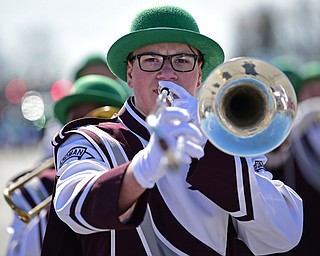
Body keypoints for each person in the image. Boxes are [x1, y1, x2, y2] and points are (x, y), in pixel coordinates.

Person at [41, 6, 303, 256]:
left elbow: (285, 233)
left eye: (182, 60)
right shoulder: (93, 140)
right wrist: (143, 168)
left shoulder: (225, 145)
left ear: (200, 75)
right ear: (130, 74)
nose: (167, 74)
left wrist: (211, 147)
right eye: (151, 60)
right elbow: (73, 206)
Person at [5, 74, 127, 256]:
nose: (87, 131)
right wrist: (64, 204)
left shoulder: (139, 177)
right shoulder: (37, 187)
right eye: (77, 118)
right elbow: (19, 252)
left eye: (100, 121)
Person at [266, 60, 320, 255]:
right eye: (311, 92)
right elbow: (272, 159)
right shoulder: (295, 129)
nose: (316, 98)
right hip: (297, 231)